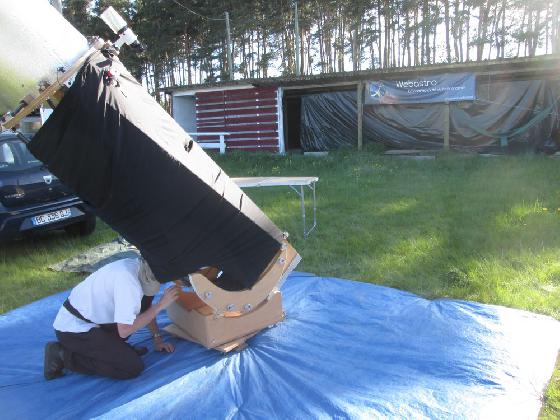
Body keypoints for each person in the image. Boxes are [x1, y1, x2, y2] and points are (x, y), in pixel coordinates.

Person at [44, 257, 180, 380]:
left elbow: (146, 308)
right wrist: (160, 306)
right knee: (131, 367)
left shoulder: (138, 266)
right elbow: (125, 330)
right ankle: (62, 355)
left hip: (95, 320)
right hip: (73, 330)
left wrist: (157, 339)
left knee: (136, 317)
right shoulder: (129, 285)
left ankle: (116, 350)